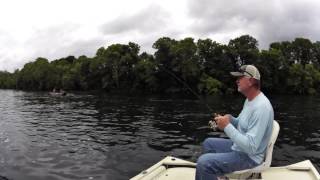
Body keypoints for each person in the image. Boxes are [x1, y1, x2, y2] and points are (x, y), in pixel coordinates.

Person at [196, 65, 274, 180]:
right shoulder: (249, 100)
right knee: (208, 143)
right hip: (240, 148)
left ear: (251, 81)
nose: (237, 80)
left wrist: (227, 126)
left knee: (204, 163)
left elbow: (251, 147)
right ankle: (220, 177)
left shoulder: (262, 107)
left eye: (240, 77)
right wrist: (231, 120)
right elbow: (242, 125)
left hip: (250, 157)